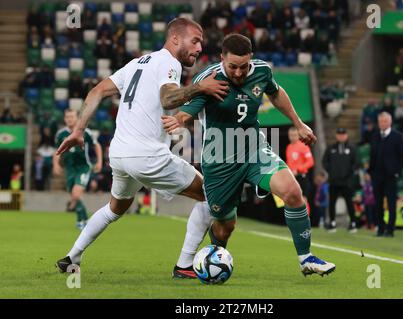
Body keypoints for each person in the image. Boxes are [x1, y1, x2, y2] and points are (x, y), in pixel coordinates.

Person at [55, 18, 229, 276]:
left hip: (120, 154)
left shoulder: (137, 63)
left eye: (201, 43)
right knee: (209, 193)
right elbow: (169, 97)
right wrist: (200, 87)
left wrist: (79, 129)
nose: (199, 48)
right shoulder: (169, 63)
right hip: (146, 155)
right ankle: (184, 265)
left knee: (115, 208)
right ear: (174, 39)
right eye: (195, 41)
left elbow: (96, 91)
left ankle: (72, 256)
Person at [163, 33, 336, 277]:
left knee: (293, 192)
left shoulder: (262, 71)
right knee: (225, 227)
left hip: (254, 149)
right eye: (232, 66)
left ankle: (306, 257)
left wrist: (298, 123)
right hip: (220, 160)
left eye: (243, 67)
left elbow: (275, 93)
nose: (237, 73)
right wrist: (178, 120)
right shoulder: (208, 79)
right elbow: (186, 113)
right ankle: (214, 256)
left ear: (251, 59)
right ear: (221, 58)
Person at [53, 109, 103, 230]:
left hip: (83, 167)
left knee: (76, 194)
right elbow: (56, 151)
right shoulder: (61, 134)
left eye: (71, 117)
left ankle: (81, 220)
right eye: (67, 117)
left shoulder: (85, 132)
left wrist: (99, 161)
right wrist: (56, 165)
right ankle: (83, 220)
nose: (69, 119)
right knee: (75, 196)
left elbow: (96, 145)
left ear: (77, 118)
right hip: (69, 168)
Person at [369, 112, 403, 237]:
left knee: (391, 203)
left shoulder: (398, 137)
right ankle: (380, 227)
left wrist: (397, 172)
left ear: (390, 122)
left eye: (385, 121)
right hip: (377, 175)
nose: (383, 124)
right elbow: (372, 156)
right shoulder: (375, 136)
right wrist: (370, 171)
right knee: (378, 203)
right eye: (381, 122)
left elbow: (402, 157)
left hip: (390, 175)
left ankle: (390, 229)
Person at [322, 128, 358, 233]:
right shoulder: (331, 148)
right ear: (336, 136)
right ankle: (332, 222)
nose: (341, 136)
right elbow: (325, 161)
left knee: (349, 202)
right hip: (334, 180)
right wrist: (331, 171)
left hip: (347, 181)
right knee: (332, 202)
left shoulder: (352, 148)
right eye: (339, 134)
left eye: (343, 134)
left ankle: (353, 222)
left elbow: (355, 163)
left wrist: (349, 173)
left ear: (346, 135)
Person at [286, 126, 315, 203]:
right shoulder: (289, 147)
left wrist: (298, 169)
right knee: (293, 200)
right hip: (292, 178)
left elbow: (310, 162)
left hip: (301, 177)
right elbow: (289, 162)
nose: (292, 137)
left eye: (294, 135)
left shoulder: (303, 146)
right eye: (291, 135)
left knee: (303, 200)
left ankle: (305, 215)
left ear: (298, 135)